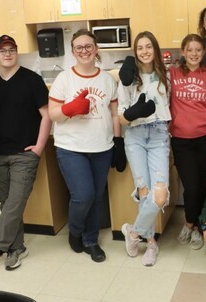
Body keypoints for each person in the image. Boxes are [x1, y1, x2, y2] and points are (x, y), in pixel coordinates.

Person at [48, 29, 123, 263]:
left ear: (96, 48)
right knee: (83, 195)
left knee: (97, 196)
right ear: (73, 52)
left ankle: (91, 241)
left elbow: (113, 113)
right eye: (79, 47)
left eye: (88, 46)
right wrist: (70, 109)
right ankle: (75, 231)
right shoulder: (64, 79)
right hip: (71, 147)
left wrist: (118, 142)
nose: (84, 51)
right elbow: (52, 114)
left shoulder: (107, 79)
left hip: (102, 146)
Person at [0, 35, 51, 271]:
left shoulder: (32, 80)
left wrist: (39, 147)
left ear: (17, 53)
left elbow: (46, 115)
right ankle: (16, 248)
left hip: (25, 154)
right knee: (8, 203)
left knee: (15, 201)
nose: (7, 54)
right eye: (2, 50)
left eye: (11, 49)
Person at [117, 31, 171, 267]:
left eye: (149, 46)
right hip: (136, 136)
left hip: (159, 134)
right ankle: (150, 243)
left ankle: (132, 232)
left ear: (155, 49)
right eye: (140, 48)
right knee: (145, 193)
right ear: (135, 51)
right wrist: (133, 113)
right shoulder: (128, 78)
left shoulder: (165, 74)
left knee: (159, 196)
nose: (145, 51)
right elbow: (121, 118)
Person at [170, 34, 206, 250]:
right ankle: (189, 223)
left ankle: (201, 225)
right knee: (191, 187)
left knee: (205, 186)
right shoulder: (171, 74)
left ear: (204, 53)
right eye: (189, 50)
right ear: (183, 52)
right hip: (181, 140)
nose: (193, 54)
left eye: (198, 50)